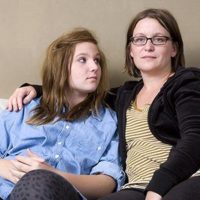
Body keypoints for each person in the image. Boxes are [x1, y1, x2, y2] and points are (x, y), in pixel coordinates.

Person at [6, 8, 200, 200]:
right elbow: (79, 91)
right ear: (131, 50)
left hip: (183, 178)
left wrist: (156, 189)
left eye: (158, 39)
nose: (148, 46)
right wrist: (37, 89)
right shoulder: (125, 96)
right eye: (139, 39)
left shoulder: (186, 84)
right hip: (136, 187)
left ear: (174, 48)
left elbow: (195, 139)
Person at [0, 28, 125, 200]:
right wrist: (4, 167)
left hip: (53, 193)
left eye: (97, 60)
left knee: (38, 182)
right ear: (60, 67)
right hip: (5, 188)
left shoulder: (109, 122)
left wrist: (53, 174)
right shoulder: (26, 106)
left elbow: (108, 183)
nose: (94, 67)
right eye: (83, 60)